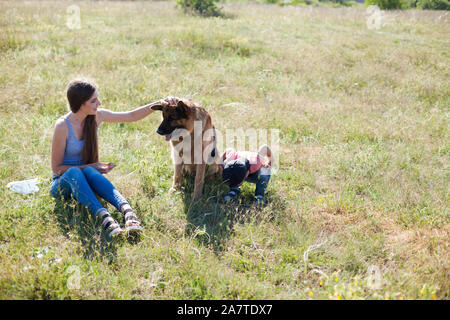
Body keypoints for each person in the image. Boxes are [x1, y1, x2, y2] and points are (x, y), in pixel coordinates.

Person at [50, 78, 178, 240]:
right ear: (81, 104)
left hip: (87, 178)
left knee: (89, 170)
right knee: (78, 171)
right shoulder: (62, 126)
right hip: (62, 184)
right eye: (94, 100)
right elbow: (57, 168)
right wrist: (92, 166)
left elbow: (131, 116)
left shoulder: (97, 116)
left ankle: (128, 212)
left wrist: (159, 103)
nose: (99, 103)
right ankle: (104, 217)